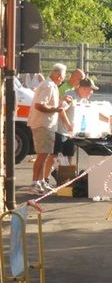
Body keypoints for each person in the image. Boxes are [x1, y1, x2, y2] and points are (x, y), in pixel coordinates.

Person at [26, 63, 72, 195]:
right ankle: (35, 183)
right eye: (62, 77)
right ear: (58, 75)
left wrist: (62, 102)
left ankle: (39, 182)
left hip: (46, 124)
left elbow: (48, 104)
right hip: (43, 124)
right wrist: (57, 109)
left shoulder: (50, 86)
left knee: (44, 154)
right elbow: (39, 105)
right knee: (42, 155)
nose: (62, 79)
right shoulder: (48, 86)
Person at [55, 78, 102, 165]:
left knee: (69, 157)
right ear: (83, 88)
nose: (92, 93)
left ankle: (67, 176)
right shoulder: (70, 96)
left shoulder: (84, 99)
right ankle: (45, 177)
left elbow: (93, 112)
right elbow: (61, 110)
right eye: (91, 90)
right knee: (54, 158)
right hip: (62, 132)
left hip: (72, 134)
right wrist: (68, 125)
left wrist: (109, 119)